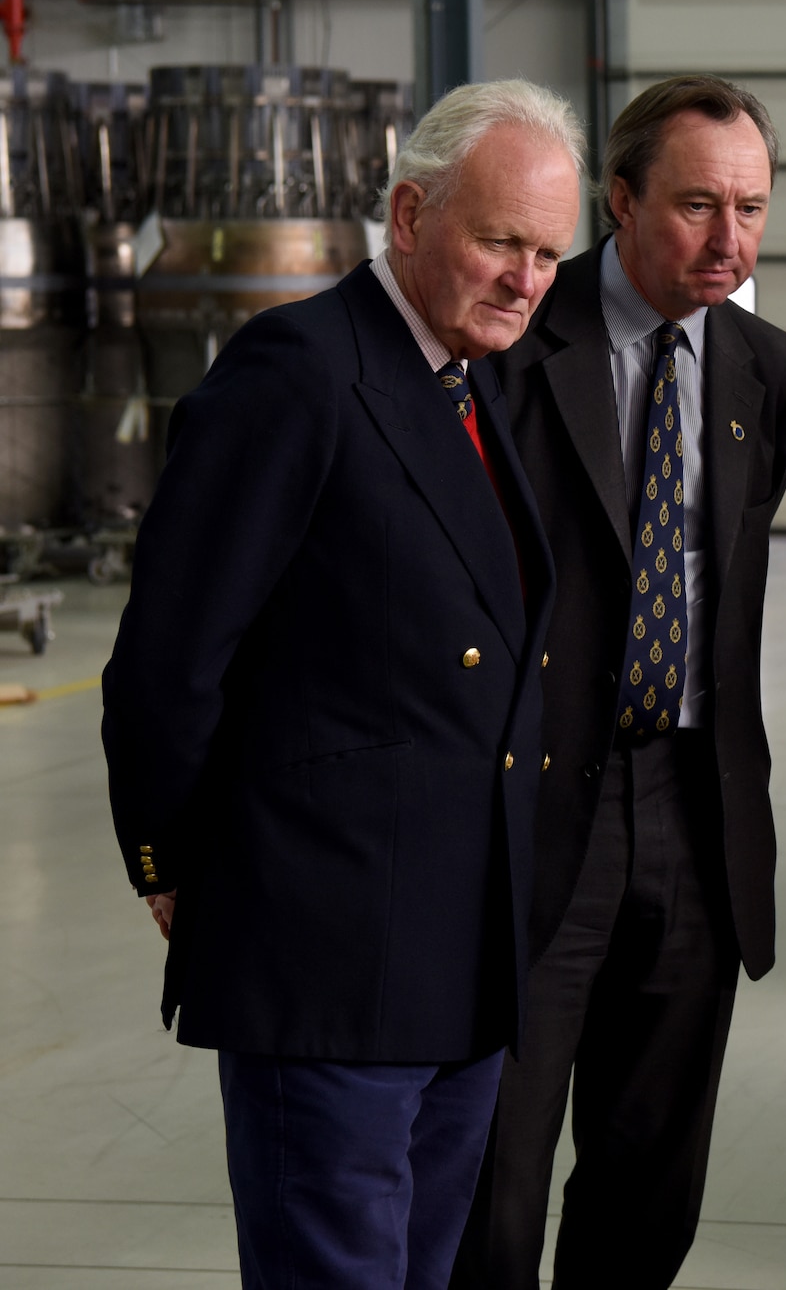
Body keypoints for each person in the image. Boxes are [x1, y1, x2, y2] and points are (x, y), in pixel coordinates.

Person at [100, 80, 584, 1289]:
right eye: (498, 242)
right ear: (409, 215)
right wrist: (174, 862)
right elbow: (168, 656)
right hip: (324, 961)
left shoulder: (468, 385)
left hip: (457, 962)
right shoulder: (298, 372)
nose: (525, 278)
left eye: (546, 253)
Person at [450, 76, 786, 1290]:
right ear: (618, 199)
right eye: (697, 205)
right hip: (537, 802)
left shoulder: (769, 366)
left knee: (650, 1174)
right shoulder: (510, 342)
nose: (730, 242)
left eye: (752, 209)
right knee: (491, 1174)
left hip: (696, 812)